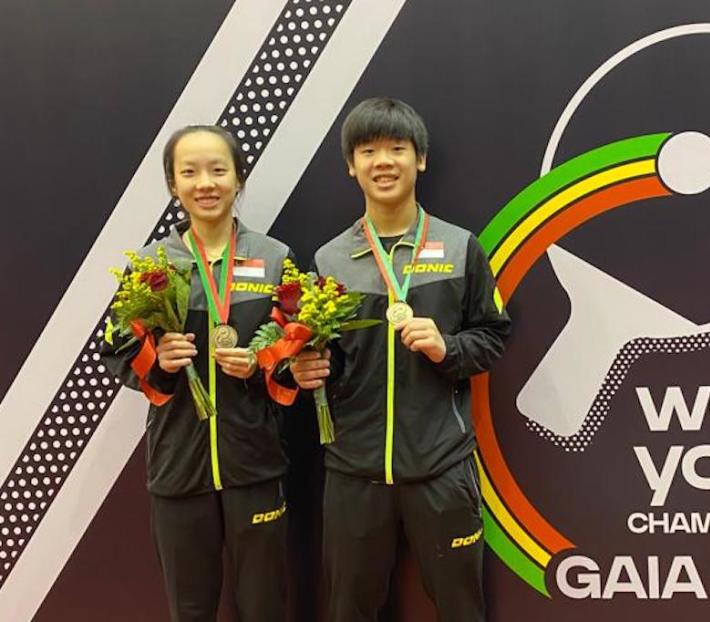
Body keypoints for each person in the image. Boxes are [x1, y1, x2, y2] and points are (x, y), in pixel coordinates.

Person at [290, 97, 511, 621]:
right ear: (351, 165)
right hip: (353, 471)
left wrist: (448, 348)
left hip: (441, 467)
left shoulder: (461, 247)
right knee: (351, 611)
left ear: (421, 159)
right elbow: (326, 356)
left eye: (397, 148)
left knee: (461, 608)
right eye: (368, 150)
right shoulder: (329, 258)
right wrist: (305, 370)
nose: (383, 161)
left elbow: (494, 337)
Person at [103, 125, 291, 621]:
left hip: (254, 463)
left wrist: (259, 363)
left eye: (217, 170)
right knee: (190, 611)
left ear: (238, 178)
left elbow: (294, 353)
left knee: (264, 608)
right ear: (173, 184)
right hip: (177, 467)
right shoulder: (150, 264)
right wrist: (158, 363)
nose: (204, 183)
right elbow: (119, 353)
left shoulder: (274, 260)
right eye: (189, 172)